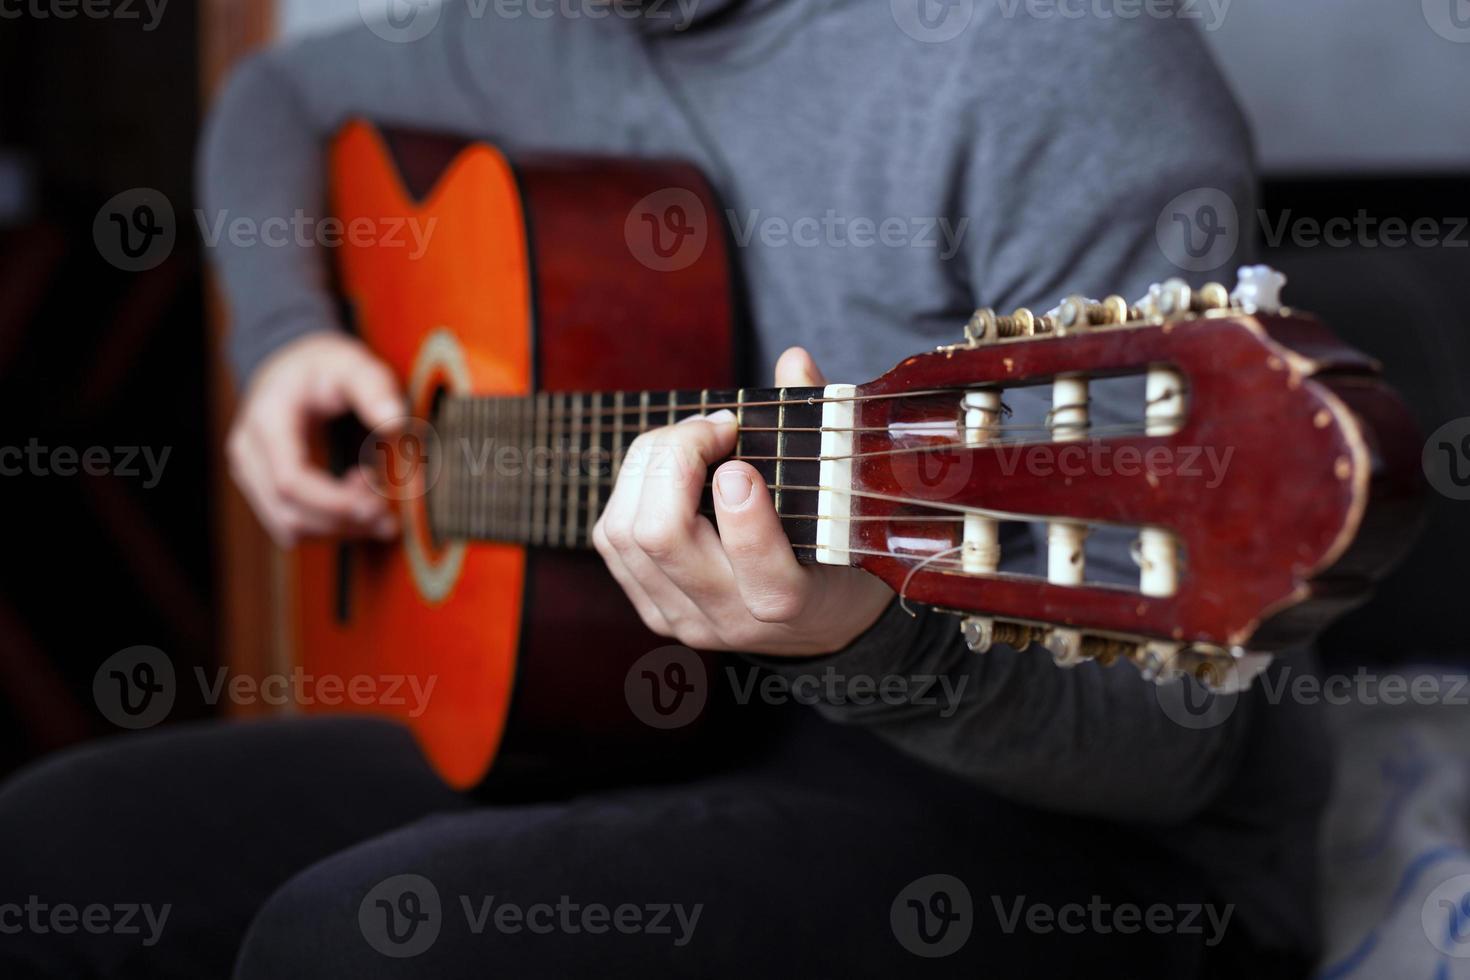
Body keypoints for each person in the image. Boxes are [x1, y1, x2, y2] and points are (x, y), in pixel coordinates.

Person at [0, 2, 1326, 977]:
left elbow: (1173, 745)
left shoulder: (1046, 54)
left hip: (1089, 843)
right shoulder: (545, 29)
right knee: (53, 850)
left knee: (369, 948)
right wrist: (286, 338)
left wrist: (864, 632)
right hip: (639, 716)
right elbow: (272, 104)